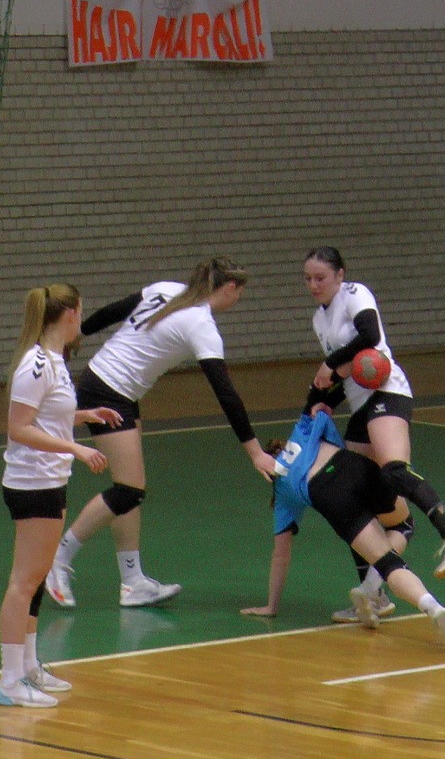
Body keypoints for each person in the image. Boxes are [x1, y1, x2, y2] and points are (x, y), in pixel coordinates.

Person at [45, 257, 280, 609]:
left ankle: (132, 582)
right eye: (239, 293)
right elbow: (226, 393)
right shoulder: (201, 324)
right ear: (230, 287)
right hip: (108, 392)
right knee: (129, 490)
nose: (237, 300)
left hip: (116, 388)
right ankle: (58, 559)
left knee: (130, 490)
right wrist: (255, 452)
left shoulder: (166, 289)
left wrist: (77, 336)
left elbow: (111, 313)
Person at [301, 246, 445, 625]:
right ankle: (374, 595)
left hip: (387, 392)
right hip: (360, 405)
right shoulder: (319, 320)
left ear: (340, 275)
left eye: (321, 277)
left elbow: (369, 337)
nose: (314, 285)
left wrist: (331, 363)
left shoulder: (355, 295)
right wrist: (324, 402)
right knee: (355, 496)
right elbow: (349, 371)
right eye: (308, 279)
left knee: (393, 470)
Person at [241, 406, 445, 651]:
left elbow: (281, 555)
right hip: (354, 467)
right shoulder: (302, 430)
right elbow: (323, 409)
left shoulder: (282, 494)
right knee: (403, 524)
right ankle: (370, 587)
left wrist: (271, 606)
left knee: (388, 563)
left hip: (328, 494)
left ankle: (433, 608)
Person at [0, 284, 123, 708]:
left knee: (34, 580)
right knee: (23, 582)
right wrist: (76, 448)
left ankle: (29, 666)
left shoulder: (54, 362)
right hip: (32, 484)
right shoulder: (35, 365)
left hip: (50, 481)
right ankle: (9, 681)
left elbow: (48, 415)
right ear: (69, 314)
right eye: (80, 313)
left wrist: (83, 416)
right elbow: (19, 427)